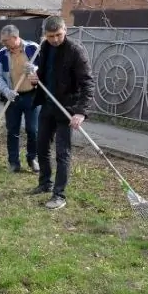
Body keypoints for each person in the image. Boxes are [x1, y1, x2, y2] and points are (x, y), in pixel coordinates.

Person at [28, 15, 94, 210]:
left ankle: (59, 195)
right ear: (45, 35)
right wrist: (35, 78)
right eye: (51, 36)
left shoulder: (75, 51)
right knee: (41, 147)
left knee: (62, 153)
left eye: (58, 35)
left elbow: (88, 83)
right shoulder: (45, 47)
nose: (55, 39)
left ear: (65, 30)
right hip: (48, 105)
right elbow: (45, 74)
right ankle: (45, 183)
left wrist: (80, 112)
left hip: (67, 109)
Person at [0, 24, 41, 173]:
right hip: (13, 98)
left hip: (32, 96)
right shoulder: (2, 54)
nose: (2, 43)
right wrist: (6, 91)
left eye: (5, 40)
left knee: (33, 130)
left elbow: (46, 69)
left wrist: (35, 70)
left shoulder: (33, 48)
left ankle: (32, 158)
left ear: (15, 37)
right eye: (2, 40)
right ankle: (14, 162)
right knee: (12, 130)